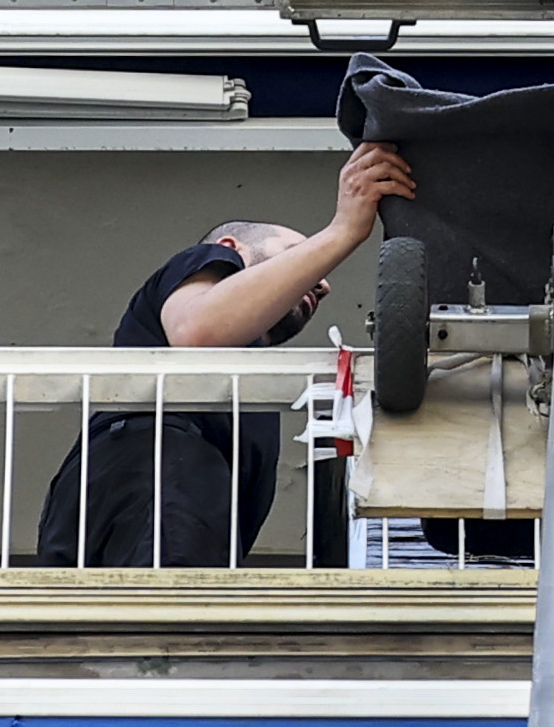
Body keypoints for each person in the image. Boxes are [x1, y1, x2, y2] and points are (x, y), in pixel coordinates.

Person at [35, 141, 419, 567]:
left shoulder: (247, 365)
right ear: (232, 248)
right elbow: (197, 331)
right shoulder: (207, 263)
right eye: (295, 255)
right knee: (172, 608)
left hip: (151, 506)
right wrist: (342, 231)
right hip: (157, 484)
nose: (323, 283)